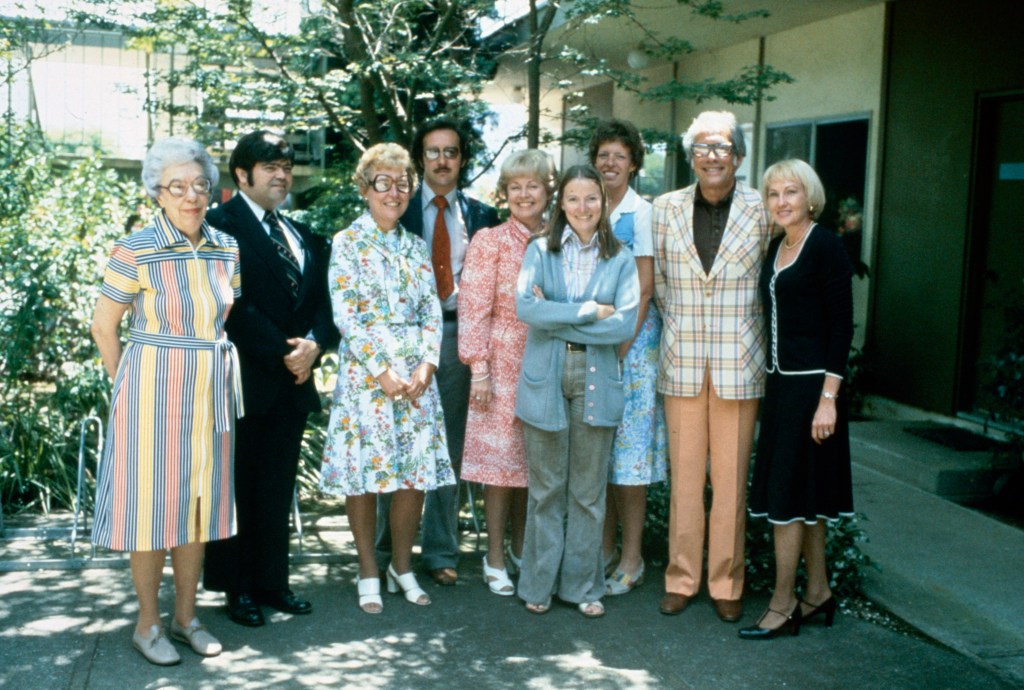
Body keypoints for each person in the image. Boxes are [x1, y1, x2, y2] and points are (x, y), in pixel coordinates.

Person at [91, 137, 240, 665]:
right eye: (177, 187)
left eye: (200, 184)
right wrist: (127, 389)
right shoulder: (135, 249)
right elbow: (103, 327)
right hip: (150, 393)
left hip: (209, 391)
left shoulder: (226, 248)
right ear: (157, 193)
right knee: (151, 510)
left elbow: (223, 316)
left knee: (198, 506)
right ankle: (147, 624)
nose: (191, 196)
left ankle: (186, 618)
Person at [203, 131, 339, 627]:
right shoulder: (218, 226)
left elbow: (324, 302)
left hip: (293, 383)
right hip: (243, 379)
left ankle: (272, 583)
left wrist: (315, 344)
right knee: (237, 485)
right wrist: (288, 352)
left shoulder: (300, 233)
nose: (282, 175)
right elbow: (231, 305)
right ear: (242, 175)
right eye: (270, 167)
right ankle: (236, 588)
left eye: (286, 167)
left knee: (277, 487)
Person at [321, 143, 455, 613]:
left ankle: (402, 565)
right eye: (383, 182)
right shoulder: (347, 242)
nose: (393, 192)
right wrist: (382, 370)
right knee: (363, 474)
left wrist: (427, 365)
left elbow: (431, 311)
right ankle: (367, 569)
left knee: (413, 474)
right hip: (367, 378)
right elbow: (347, 313)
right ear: (365, 188)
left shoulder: (415, 246)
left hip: (416, 378)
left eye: (402, 184)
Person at [652, 110, 771, 623]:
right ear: (691, 157)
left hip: (738, 364)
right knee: (684, 482)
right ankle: (681, 578)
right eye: (702, 147)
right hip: (681, 361)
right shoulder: (664, 209)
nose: (711, 156)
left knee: (730, 483)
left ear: (738, 156)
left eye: (721, 146)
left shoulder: (763, 209)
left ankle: (726, 583)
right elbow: (658, 285)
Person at [376, 118, 499, 587]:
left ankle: (441, 550)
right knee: (397, 444)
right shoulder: (397, 208)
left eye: (451, 151)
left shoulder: (482, 215)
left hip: (457, 337)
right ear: (420, 159)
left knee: (450, 447)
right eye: (433, 152)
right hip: (403, 340)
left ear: (462, 159)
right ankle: (388, 550)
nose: (442, 160)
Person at [515, 164, 640, 618]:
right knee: (546, 489)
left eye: (591, 198)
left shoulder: (621, 258)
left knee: (587, 492)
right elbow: (525, 308)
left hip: (596, 380)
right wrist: (588, 311)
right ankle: (538, 583)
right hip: (545, 377)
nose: (582, 207)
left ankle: (583, 587)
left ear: (603, 203)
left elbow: (623, 324)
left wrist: (555, 316)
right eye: (573, 198)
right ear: (560, 204)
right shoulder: (539, 250)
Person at [738, 159, 854, 640]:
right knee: (807, 498)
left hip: (813, 390)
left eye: (791, 192)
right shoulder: (777, 246)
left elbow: (842, 326)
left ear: (810, 197)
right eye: (773, 194)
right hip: (782, 387)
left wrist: (829, 400)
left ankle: (783, 604)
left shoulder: (825, 245)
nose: (781, 201)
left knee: (788, 499)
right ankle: (819, 592)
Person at [458, 149, 558, 596]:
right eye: (515, 187)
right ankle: (494, 557)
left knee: (534, 466)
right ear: (504, 193)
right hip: (501, 366)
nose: (524, 194)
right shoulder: (490, 241)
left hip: (549, 363)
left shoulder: (561, 238)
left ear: (548, 190)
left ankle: (522, 550)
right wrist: (479, 370)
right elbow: (474, 309)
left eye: (532, 185)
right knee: (499, 469)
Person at [588, 119, 668, 596]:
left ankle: (632, 557)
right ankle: (602, 549)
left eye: (619, 156)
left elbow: (644, 288)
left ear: (634, 163)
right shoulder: (587, 206)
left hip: (633, 343)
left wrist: (619, 347)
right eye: (603, 155)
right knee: (599, 450)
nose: (610, 163)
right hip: (595, 336)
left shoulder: (642, 214)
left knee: (630, 456)